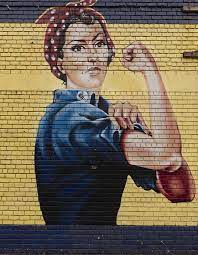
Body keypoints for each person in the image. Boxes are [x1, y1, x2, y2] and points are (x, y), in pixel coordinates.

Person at [35, 0, 195, 225]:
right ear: (59, 62)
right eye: (78, 47)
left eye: (99, 44)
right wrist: (150, 72)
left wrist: (139, 126)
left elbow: (181, 190)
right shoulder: (70, 118)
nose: (92, 56)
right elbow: (168, 156)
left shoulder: (102, 113)